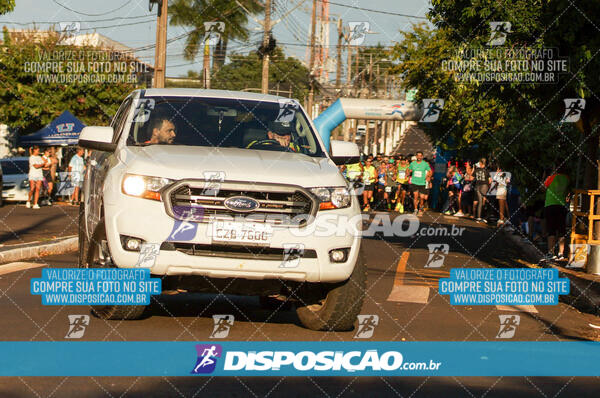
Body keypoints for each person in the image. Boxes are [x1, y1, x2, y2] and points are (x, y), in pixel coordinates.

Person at [543, 166, 570, 261]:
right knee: (561, 229)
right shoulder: (566, 178)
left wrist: (544, 176)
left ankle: (551, 252)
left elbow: (543, 187)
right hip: (561, 205)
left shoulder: (551, 177)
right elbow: (567, 192)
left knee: (551, 229)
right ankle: (561, 253)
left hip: (550, 205)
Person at [407, 151, 432, 216]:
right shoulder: (413, 163)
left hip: (422, 182)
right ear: (416, 156)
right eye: (418, 155)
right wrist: (407, 172)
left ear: (422, 157)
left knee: (421, 197)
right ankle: (415, 209)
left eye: (420, 156)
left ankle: (421, 208)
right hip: (414, 182)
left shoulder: (425, 164)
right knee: (415, 196)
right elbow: (409, 169)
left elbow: (430, 171)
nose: (419, 157)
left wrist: (429, 177)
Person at [473, 157, 491, 223]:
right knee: (485, 201)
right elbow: (490, 181)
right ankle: (485, 217)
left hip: (478, 186)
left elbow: (472, 177)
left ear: (481, 163)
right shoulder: (486, 170)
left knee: (480, 202)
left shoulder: (476, 170)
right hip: (484, 186)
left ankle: (479, 217)